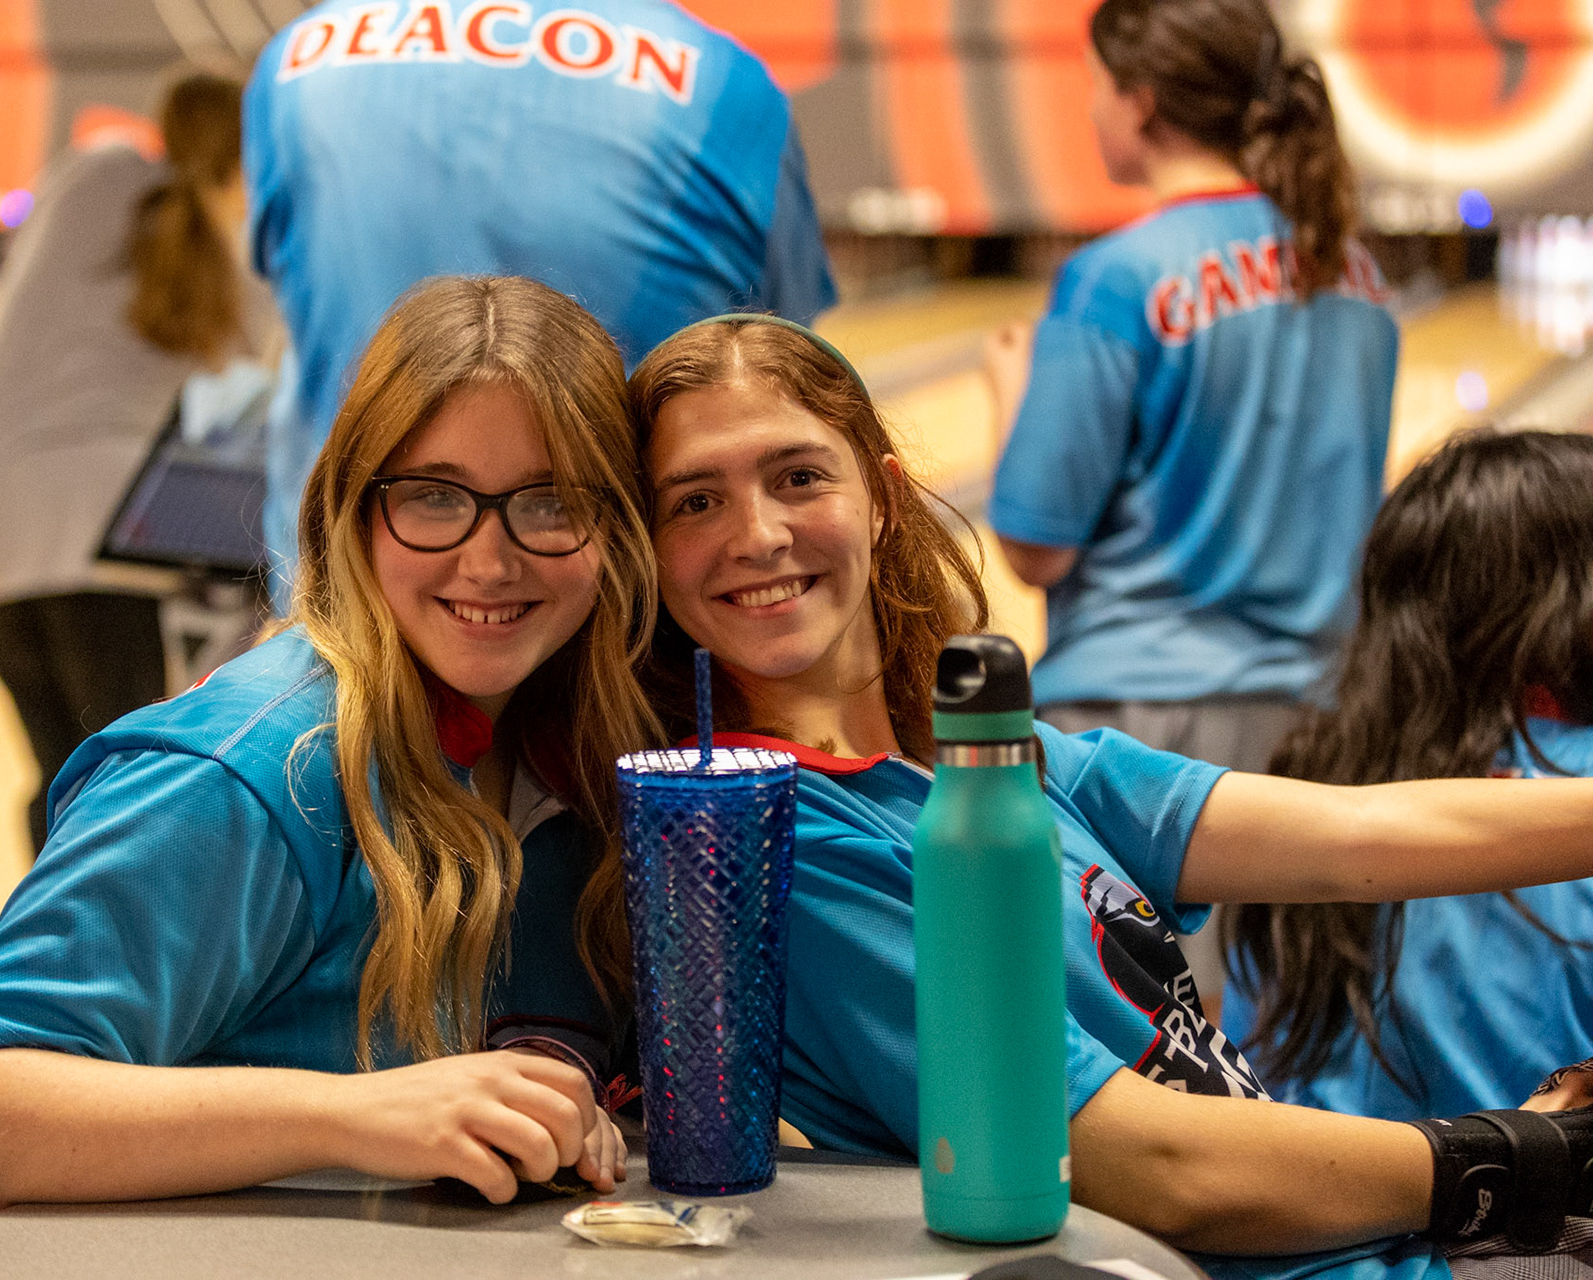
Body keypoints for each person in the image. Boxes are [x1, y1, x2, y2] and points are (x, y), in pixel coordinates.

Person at [629, 314, 1593, 1280]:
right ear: (650, 549)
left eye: (799, 477)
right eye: (696, 501)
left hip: (1365, 1248)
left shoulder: (1004, 760)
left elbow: (1361, 837)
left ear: (882, 499)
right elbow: (1163, 1169)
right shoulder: (765, 838)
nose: (758, 535)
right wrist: (1525, 1156)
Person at [0, 276, 656, 1218]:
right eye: (433, 498)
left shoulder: (585, 758)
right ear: (352, 511)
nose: (489, 560)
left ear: (618, 528)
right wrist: (352, 1116)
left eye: (553, 502)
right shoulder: (247, 774)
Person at [979, 0, 1400, 1010]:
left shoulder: (1116, 276)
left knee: (1158, 1045)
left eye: (1094, 87)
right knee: (1288, 1040)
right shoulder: (1358, 273)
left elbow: (1035, 545)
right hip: (1323, 721)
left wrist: (1009, 394)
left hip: (1142, 733)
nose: (1090, 109)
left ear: (1141, 101)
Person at [242, 0, 837, 593]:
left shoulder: (295, 64)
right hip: (620, 606)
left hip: (340, 593)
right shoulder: (728, 84)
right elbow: (777, 365)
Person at [0, 72, 278, 854]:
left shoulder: (85, 176)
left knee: (61, 779)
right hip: (102, 540)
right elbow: (237, 441)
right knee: (123, 798)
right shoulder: (246, 263)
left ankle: (52, 929)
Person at [1226, 429, 1593, 1122]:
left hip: (1323, 1187)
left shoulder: (1307, 791)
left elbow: (1250, 1084)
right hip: (1531, 1190)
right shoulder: (1577, 793)